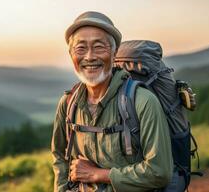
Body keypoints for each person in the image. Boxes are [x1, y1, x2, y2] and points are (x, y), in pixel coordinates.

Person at [51, 11, 173, 192]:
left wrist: (98, 174)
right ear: (71, 55)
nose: (90, 57)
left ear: (114, 52)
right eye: (81, 48)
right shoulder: (68, 103)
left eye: (99, 47)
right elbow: (60, 157)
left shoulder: (142, 102)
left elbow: (159, 171)